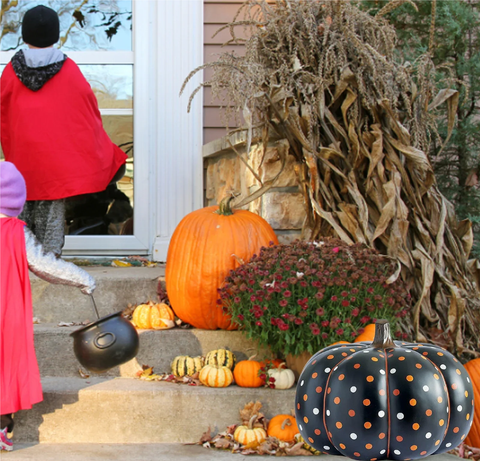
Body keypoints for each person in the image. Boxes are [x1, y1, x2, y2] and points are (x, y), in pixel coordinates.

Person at [0, 4, 127, 257]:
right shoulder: (69, 71)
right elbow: (88, 114)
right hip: (55, 168)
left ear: (24, 35)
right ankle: (50, 263)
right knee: (52, 222)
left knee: (20, 219)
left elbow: (4, 114)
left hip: (24, 163)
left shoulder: (10, 73)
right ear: (55, 35)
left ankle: (21, 266)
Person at [0, 162, 96, 452]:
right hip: (6, 317)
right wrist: (84, 279)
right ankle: (2, 426)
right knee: (5, 368)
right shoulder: (16, 233)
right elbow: (46, 266)